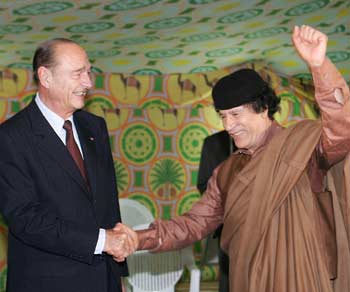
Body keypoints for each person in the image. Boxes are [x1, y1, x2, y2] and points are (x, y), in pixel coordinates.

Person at [123, 25, 350, 292]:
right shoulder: (226, 172)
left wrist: (319, 65)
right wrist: (137, 239)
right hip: (250, 281)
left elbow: (341, 128)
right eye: (223, 116)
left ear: (264, 108)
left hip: (305, 278)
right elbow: (193, 224)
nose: (228, 125)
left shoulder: (305, 149)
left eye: (236, 114)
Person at [0, 38, 138, 292]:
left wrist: (118, 271)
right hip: (47, 283)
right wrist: (102, 241)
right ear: (45, 76)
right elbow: (25, 219)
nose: (88, 82)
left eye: (88, 71)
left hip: (103, 279)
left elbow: (107, 203)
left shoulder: (95, 126)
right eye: (77, 74)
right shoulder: (11, 137)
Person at [197, 130, 234, 292]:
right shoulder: (213, 142)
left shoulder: (278, 140)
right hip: (227, 226)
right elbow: (203, 183)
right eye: (223, 115)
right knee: (228, 278)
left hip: (267, 230)